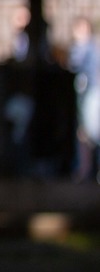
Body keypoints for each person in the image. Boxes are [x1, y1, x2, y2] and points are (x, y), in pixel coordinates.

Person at [69, 16, 100, 182]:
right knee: (84, 134)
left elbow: (74, 62)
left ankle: (88, 170)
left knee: (91, 133)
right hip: (85, 94)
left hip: (91, 95)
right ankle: (85, 169)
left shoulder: (88, 48)